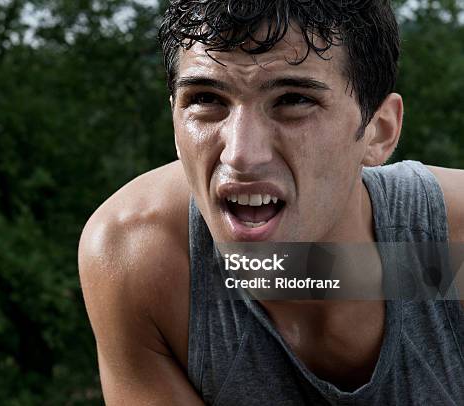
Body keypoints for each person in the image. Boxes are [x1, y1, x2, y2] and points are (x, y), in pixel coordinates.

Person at [78, 1, 464, 404]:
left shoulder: (451, 247)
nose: (241, 154)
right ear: (175, 121)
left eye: (294, 100)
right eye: (206, 98)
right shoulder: (141, 253)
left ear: (379, 131)